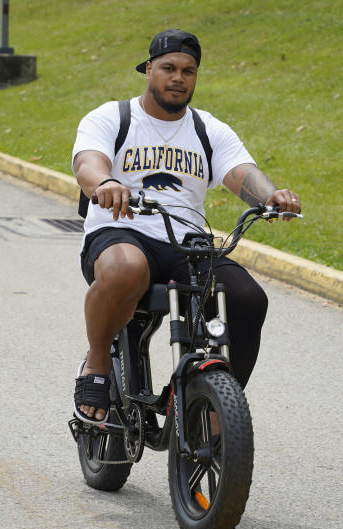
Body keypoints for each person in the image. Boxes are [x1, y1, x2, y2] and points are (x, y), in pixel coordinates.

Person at [72, 29, 301, 422]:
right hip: (121, 232)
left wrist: (271, 196)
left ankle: (216, 413)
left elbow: (241, 172)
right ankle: (97, 363)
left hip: (186, 243)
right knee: (127, 268)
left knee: (248, 299)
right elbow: (87, 163)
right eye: (168, 68)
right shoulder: (113, 116)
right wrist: (106, 183)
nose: (178, 78)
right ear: (148, 70)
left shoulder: (207, 128)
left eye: (188, 71)